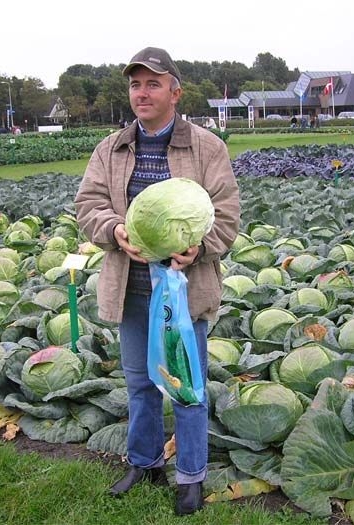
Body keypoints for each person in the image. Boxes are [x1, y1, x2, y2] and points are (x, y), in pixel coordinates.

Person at [74, 46, 240, 516]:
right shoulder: (110, 149)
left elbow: (226, 216)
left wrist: (199, 248)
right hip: (131, 287)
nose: (141, 93)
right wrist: (115, 229)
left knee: (186, 384)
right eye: (134, 84)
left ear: (175, 91)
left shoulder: (208, 147)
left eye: (152, 83)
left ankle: (191, 475)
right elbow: (88, 206)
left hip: (184, 290)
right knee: (139, 383)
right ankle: (144, 463)